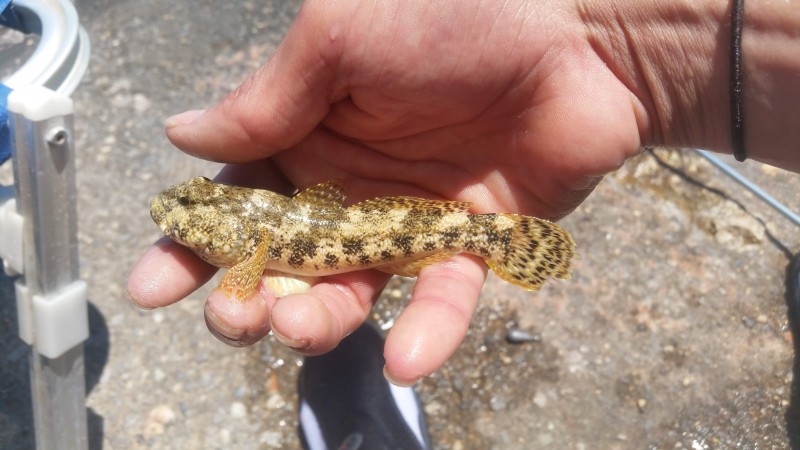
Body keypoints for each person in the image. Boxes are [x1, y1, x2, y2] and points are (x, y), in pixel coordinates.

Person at [128, 0, 800, 390]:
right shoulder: (248, 233)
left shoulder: (247, 245)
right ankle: (488, 241)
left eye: (190, 211)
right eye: (188, 214)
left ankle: (493, 242)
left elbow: (248, 263)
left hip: (362, 226)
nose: (177, 217)